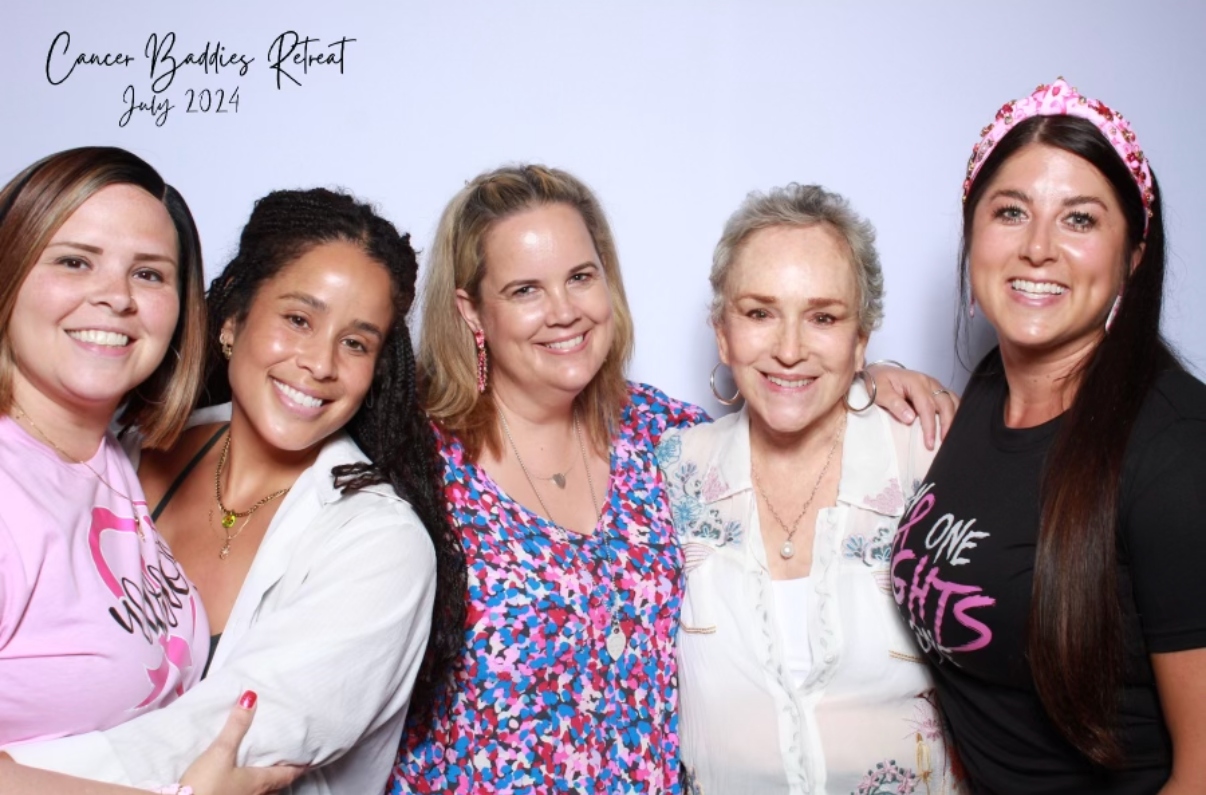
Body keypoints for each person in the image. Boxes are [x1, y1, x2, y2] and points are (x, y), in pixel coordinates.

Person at [388, 164, 950, 794]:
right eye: (525, 290)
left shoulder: (662, 437)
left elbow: (786, 391)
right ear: (471, 311)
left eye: (580, 277)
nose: (564, 311)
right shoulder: (416, 465)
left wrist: (869, 379)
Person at [5, 188, 465, 795]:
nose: (321, 363)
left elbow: (222, 739)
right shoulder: (128, 446)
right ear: (232, 320)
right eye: (298, 319)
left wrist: (17, 777)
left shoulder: (381, 545)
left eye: (355, 343)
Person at [890, 78, 1206, 794]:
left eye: (1080, 220)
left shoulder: (1178, 455)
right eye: (1010, 212)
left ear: (1132, 255)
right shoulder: (986, 391)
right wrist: (861, 372)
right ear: (973, 236)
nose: (1037, 248)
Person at [659, 184, 961, 794]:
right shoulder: (672, 473)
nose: (790, 350)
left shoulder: (929, 455)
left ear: (861, 339)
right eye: (759, 313)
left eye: (823, 317)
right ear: (722, 333)